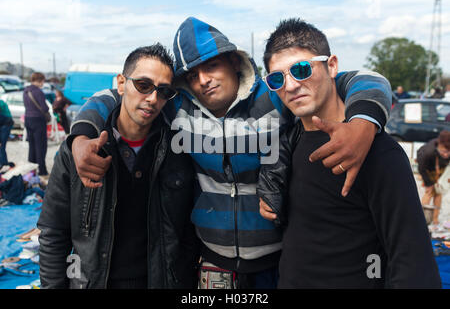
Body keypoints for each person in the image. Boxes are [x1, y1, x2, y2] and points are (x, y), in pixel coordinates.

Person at [68, 17, 393, 289]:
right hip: (213, 261)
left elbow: (360, 78)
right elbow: (113, 95)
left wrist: (364, 123)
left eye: (211, 66)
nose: (203, 81)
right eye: (192, 76)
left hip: (279, 256)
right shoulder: (177, 107)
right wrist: (80, 137)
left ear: (234, 62)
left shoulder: (275, 93)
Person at [258, 18, 441, 288]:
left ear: (332, 66)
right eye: (278, 77)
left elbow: (413, 263)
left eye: (301, 69)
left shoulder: (376, 149)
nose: (292, 85)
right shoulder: (289, 143)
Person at [37, 44, 200, 289]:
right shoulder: (79, 151)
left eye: (164, 91)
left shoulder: (177, 151)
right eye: (143, 85)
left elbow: (186, 231)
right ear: (121, 84)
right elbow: (53, 233)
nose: (153, 98)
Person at [417, 130, 450, 225]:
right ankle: (422, 219)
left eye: (449, 152)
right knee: (429, 192)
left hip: (440, 168)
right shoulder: (428, 151)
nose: (446, 154)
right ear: (439, 146)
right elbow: (421, 168)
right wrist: (428, 183)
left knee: (438, 193)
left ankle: (435, 220)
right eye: (444, 151)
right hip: (427, 168)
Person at [23, 72, 49, 176]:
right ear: (40, 80)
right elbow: (44, 108)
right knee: (41, 146)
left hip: (28, 119)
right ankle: (42, 171)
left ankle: (31, 170)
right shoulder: (38, 92)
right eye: (43, 81)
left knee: (32, 146)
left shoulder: (25, 91)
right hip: (38, 120)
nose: (43, 83)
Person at [0, 99, 14, 169]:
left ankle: (3, 163)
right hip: (4, 124)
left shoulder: (1, 103)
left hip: (6, 125)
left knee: (2, 145)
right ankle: (3, 162)